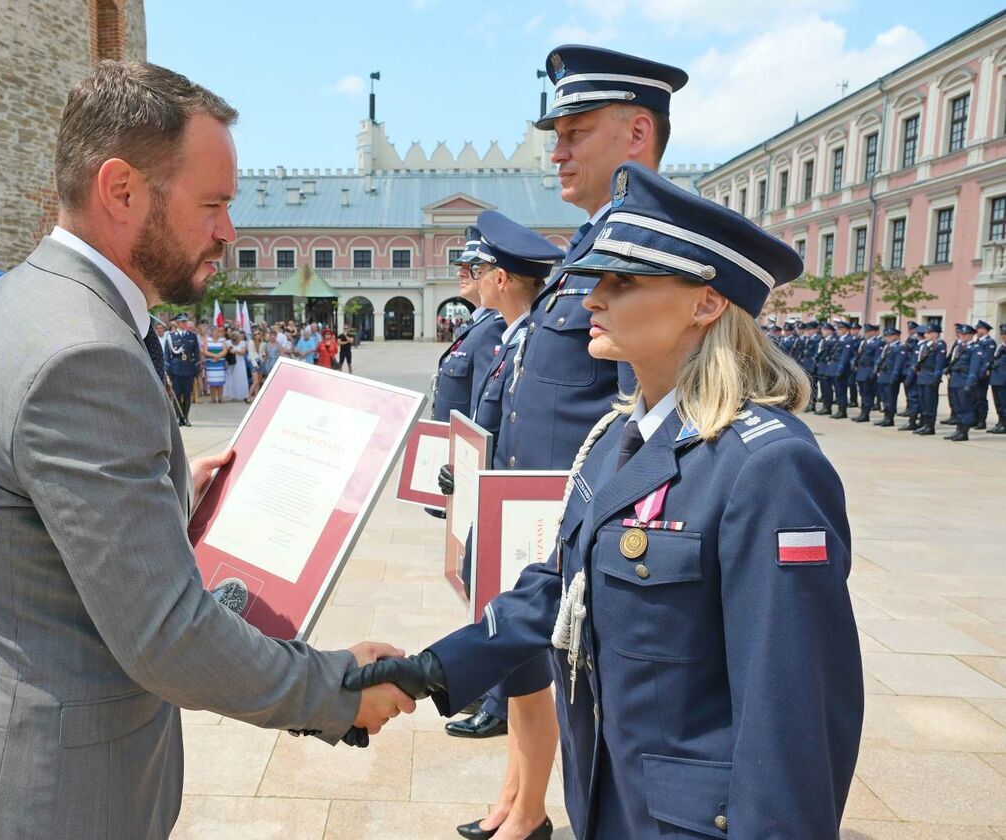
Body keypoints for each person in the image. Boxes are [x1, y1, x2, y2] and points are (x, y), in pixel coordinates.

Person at [0, 61, 411, 840]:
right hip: (54, 797)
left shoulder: (11, 302)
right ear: (122, 190)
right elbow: (168, 636)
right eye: (211, 204)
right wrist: (337, 689)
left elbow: (26, 527)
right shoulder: (84, 355)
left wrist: (166, 494)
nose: (228, 232)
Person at [348, 162, 864, 839]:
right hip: (612, 800)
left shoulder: (767, 467)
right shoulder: (621, 436)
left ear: (705, 304)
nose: (592, 298)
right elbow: (561, 586)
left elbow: (793, 719)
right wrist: (430, 670)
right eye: (596, 279)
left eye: (622, 282)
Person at [442, 45, 688, 769]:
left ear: (637, 134)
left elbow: (646, 417)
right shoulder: (595, 240)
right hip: (551, 517)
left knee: (619, 723)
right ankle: (527, 805)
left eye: (575, 132)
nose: (556, 152)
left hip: (611, 527)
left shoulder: (651, 248)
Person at [443, 211, 564, 840]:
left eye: (477, 270)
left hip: (535, 523)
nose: (470, 279)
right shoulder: (515, 335)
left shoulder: (538, 333)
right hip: (506, 515)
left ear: (498, 278)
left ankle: (527, 810)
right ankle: (515, 800)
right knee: (522, 675)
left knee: (528, 668)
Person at [429, 228, 506, 430]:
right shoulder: (478, 324)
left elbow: (484, 409)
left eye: (472, 267)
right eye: (461, 266)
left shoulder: (495, 327)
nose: (460, 272)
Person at [945, 323, 983, 442]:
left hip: (964, 380)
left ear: (971, 335)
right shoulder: (958, 347)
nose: (962, 336)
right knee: (957, 407)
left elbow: (974, 367)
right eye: (961, 334)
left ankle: (964, 432)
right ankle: (958, 429)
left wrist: (970, 383)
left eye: (965, 334)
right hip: (955, 380)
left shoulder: (976, 348)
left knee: (966, 407)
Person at [912, 323, 946, 436]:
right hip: (922, 376)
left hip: (930, 377)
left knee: (930, 403)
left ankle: (930, 426)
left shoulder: (940, 345)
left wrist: (936, 378)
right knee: (923, 402)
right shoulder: (925, 345)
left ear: (935, 334)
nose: (925, 335)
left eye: (928, 333)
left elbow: (939, 363)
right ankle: (924, 424)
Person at [874, 327, 905, 427]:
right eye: (886, 336)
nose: (887, 338)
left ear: (896, 336)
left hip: (891, 376)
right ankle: (885, 417)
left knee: (890, 398)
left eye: (890, 336)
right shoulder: (887, 347)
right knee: (884, 398)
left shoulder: (899, 348)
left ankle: (890, 418)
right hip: (883, 375)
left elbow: (898, 364)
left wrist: (894, 377)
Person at [851, 323, 881, 422]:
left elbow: (877, 359)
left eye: (868, 331)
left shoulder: (877, 343)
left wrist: (874, 372)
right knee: (862, 394)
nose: (866, 333)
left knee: (868, 394)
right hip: (861, 371)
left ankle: (865, 414)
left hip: (868, 371)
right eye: (866, 331)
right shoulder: (864, 342)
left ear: (873, 332)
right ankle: (862, 413)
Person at [974, 319, 996, 429]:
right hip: (974, 374)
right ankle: (975, 418)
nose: (977, 330)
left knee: (980, 398)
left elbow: (987, 359)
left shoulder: (989, 342)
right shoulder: (978, 342)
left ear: (984, 329)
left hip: (982, 375)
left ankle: (981, 420)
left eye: (978, 329)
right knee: (974, 397)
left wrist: (982, 373)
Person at [224, 327, 251, 402]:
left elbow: (243, 352)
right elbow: (225, 348)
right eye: (233, 339)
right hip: (231, 363)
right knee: (232, 379)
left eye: (236, 339)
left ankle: (243, 395)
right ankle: (233, 395)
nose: (234, 341)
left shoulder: (243, 343)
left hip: (240, 363)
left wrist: (235, 350)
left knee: (241, 378)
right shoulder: (228, 342)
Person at [203, 324, 227, 402]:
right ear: (212, 332)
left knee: (220, 382)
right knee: (212, 382)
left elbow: (225, 350)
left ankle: (220, 398)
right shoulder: (207, 340)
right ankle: (212, 398)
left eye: (217, 331)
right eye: (215, 331)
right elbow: (205, 351)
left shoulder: (222, 340)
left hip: (220, 364)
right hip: (211, 363)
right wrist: (214, 356)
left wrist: (218, 356)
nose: (216, 333)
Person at [989, 323, 1006, 434]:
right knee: (998, 402)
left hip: (1004, 379)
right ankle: (1000, 422)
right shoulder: (1000, 346)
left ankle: (1004, 424)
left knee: (1004, 403)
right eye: (1002, 334)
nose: (1004, 336)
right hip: (996, 379)